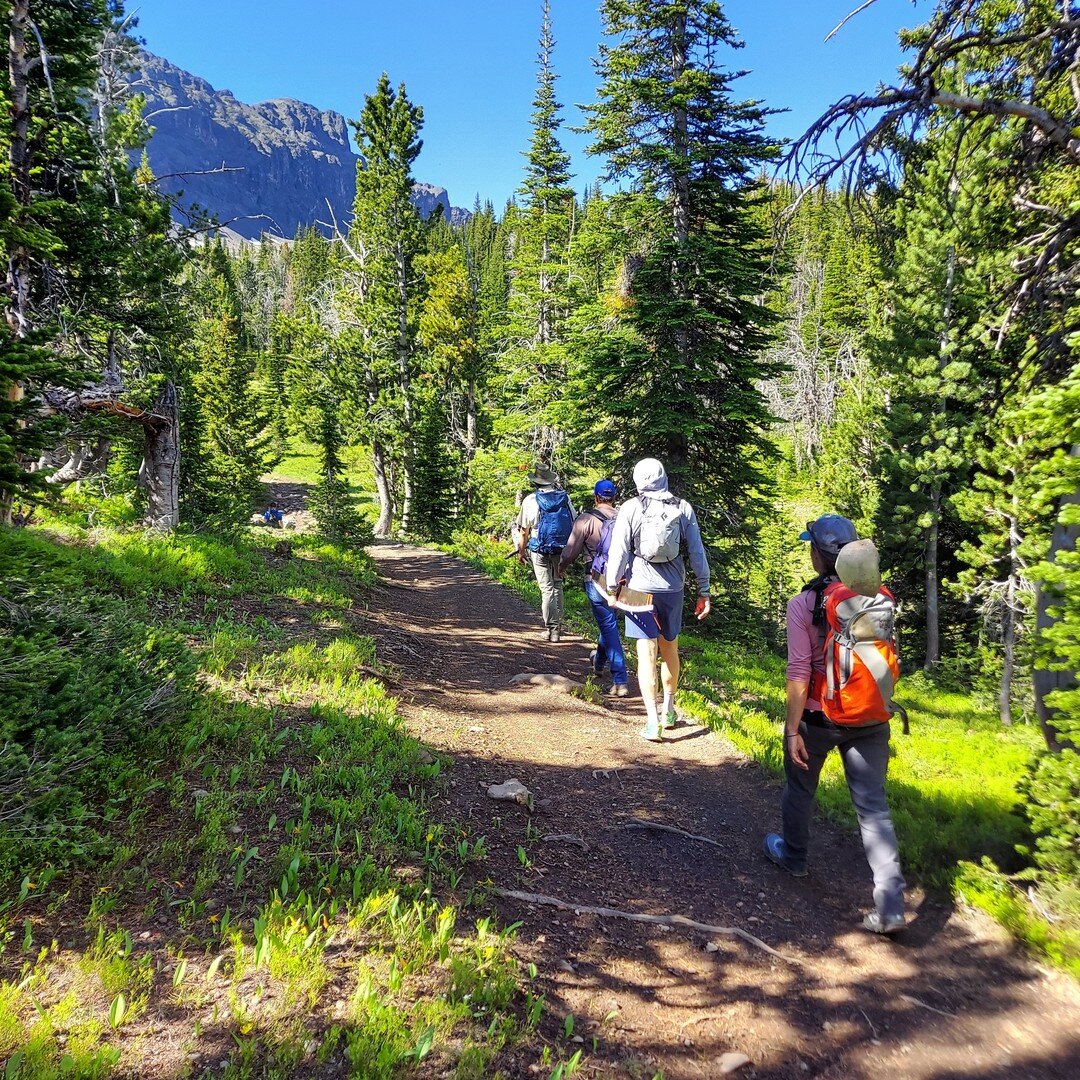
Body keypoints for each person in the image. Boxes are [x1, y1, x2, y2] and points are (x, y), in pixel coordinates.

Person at [763, 514, 907, 935]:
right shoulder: (881, 597)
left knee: (800, 788)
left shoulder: (804, 604)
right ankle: (891, 903)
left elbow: (799, 672)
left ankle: (793, 856)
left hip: (818, 717)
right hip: (871, 716)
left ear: (818, 556)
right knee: (873, 809)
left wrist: (792, 730)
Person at [605, 458, 711, 740]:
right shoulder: (682, 507)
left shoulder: (630, 507)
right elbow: (697, 552)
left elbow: (619, 551)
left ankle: (652, 722)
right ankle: (669, 708)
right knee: (670, 649)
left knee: (645, 653)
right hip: (673, 588)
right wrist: (704, 590)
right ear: (664, 477)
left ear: (639, 480)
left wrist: (613, 587)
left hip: (638, 589)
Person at [558, 479, 629, 697]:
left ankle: (620, 679)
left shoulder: (586, 520)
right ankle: (598, 663)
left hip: (596, 580)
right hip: (623, 581)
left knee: (608, 626)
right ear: (614, 497)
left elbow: (570, 552)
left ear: (596, 497)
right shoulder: (626, 518)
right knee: (607, 624)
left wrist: (562, 566)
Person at [515, 466, 576, 642]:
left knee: (546, 589)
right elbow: (573, 520)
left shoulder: (530, 500)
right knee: (557, 585)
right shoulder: (564, 498)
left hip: (539, 549)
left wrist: (521, 551)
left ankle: (552, 629)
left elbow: (524, 530)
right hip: (560, 548)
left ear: (535, 481)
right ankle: (558, 626)